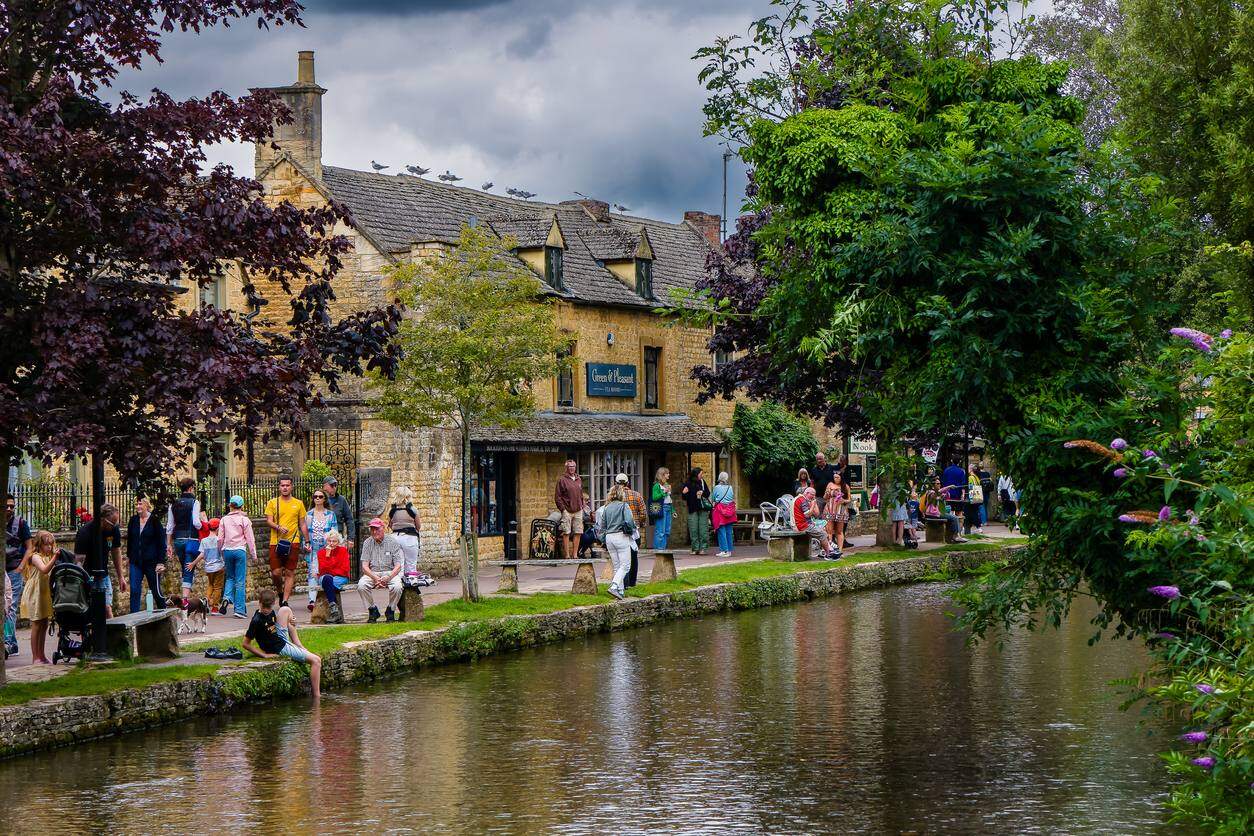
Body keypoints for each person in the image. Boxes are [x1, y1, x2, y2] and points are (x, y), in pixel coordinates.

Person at [243, 588, 321, 699]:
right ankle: (317, 697)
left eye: (269, 608)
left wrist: (293, 621)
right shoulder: (256, 620)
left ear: (273, 604)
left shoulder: (271, 612)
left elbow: (274, 625)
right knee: (316, 661)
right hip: (279, 647)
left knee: (285, 609)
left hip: (279, 638)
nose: (266, 610)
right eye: (264, 607)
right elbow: (245, 644)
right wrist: (264, 655)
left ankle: (299, 645)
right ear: (259, 603)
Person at [74, 502, 126, 618]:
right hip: (88, 575)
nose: (114, 526)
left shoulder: (113, 529)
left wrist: (121, 576)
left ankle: (111, 636)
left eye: (115, 523)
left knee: (107, 608)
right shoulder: (85, 533)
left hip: (103, 574)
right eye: (112, 523)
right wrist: (85, 583)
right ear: (101, 519)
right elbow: (78, 562)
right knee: (89, 612)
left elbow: (116, 551)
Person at [264, 475, 308, 608]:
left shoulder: (298, 503)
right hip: (276, 542)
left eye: (287, 485)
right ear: (279, 487)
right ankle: (280, 591)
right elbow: (269, 520)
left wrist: (307, 540)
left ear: (291, 486)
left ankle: (285, 601)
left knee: (289, 572)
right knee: (276, 572)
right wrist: (278, 527)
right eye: (282, 485)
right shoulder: (272, 502)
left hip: (293, 541)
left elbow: (302, 524)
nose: (285, 487)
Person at [165, 477, 204, 605]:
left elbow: (170, 526)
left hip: (177, 540)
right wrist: (204, 523)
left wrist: (168, 544)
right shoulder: (194, 502)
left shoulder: (173, 504)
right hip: (191, 539)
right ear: (191, 488)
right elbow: (196, 523)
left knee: (185, 567)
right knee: (188, 568)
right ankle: (185, 601)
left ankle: (185, 597)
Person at [19, 530, 56, 663]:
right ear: (39, 545)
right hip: (35, 593)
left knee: (44, 623)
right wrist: (55, 558)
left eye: (51, 544)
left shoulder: (48, 556)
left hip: (44, 593)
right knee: (36, 624)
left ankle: (42, 654)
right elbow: (44, 569)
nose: (50, 547)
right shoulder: (35, 557)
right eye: (47, 545)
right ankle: (36, 657)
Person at [127, 497, 168, 612]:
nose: (138, 506)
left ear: (147, 505)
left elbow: (161, 543)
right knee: (134, 590)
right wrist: (128, 557)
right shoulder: (133, 520)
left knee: (155, 590)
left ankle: (164, 614)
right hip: (135, 562)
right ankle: (133, 617)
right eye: (137, 504)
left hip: (152, 562)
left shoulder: (155, 521)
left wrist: (161, 562)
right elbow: (130, 541)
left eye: (140, 504)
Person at [358, 518, 404, 623]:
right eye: (372, 529)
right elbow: (365, 566)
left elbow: (398, 565)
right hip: (372, 572)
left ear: (383, 528)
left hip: (389, 572)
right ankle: (372, 609)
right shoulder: (367, 542)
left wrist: (388, 577)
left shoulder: (392, 542)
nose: (374, 532)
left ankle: (391, 610)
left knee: (397, 586)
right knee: (361, 585)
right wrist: (375, 578)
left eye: (377, 529)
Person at [218, 495, 256, 619]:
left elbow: (220, 539)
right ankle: (239, 610)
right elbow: (250, 539)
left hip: (227, 550)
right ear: (242, 506)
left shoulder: (223, 520)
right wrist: (254, 554)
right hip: (239, 550)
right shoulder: (245, 520)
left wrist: (221, 552)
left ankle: (227, 598)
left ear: (230, 505)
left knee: (230, 577)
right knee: (240, 581)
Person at [5, 493, 33, 657]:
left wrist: (20, 567)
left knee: (10, 606)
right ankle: (12, 643)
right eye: (7, 506)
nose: (9, 509)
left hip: (14, 568)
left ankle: (8, 642)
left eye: (12, 506)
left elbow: (29, 547)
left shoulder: (21, 524)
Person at [303, 488, 339, 611]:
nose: (317, 499)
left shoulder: (330, 515)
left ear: (324, 499)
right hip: (313, 548)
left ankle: (327, 599)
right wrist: (306, 543)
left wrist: (332, 545)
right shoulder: (308, 515)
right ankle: (312, 600)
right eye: (315, 497)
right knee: (312, 573)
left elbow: (334, 532)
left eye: (320, 496)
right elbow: (305, 532)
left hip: (326, 547)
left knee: (325, 572)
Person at [600, 484, 637, 600]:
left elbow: (602, 526)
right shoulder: (623, 506)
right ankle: (614, 586)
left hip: (609, 537)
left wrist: (603, 540)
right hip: (621, 536)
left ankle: (620, 591)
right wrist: (632, 531)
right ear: (621, 494)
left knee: (617, 566)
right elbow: (629, 521)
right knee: (625, 565)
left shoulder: (606, 507)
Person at [617, 474, 647, 588]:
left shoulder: (615, 497)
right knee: (633, 557)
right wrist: (641, 523)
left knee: (622, 559)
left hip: (620, 531)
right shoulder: (636, 495)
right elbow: (643, 513)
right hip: (634, 531)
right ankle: (632, 582)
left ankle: (624, 582)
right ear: (628, 483)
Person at [316, 530, 351, 624]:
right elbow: (322, 570)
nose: (331, 543)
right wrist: (327, 555)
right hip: (326, 578)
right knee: (327, 578)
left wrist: (331, 571)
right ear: (326, 541)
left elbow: (345, 569)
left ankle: (335, 613)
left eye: (334, 541)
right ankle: (334, 611)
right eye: (329, 541)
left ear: (338, 542)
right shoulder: (321, 553)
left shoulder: (343, 551)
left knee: (328, 580)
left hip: (340, 578)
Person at [791, 487, 838, 558]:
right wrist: (813, 504)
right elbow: (807, 514)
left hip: (800, 524)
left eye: (814, 495)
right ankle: (829, 554)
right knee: (822, 534)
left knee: (822, 529)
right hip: (801, 525)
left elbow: (816, 514)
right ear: (806, 493)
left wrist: (813, 504)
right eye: (812, 495)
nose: (813, 497)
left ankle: (826, 550)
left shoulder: (798, 499)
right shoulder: (802, 500)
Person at [386, 486, 421, 577]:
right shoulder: (413, 509)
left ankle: (398, 588)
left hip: (395, 538)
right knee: (411, 565)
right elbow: (418, 526)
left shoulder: (392, 510)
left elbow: (389, 524)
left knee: (398, 566)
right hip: (410, 537)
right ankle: (410, 588)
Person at [554, 459, 584, 560]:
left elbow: (581, 494)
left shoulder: (578, 479)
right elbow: (557, 497)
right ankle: (567, 555)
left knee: (578, 531)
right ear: (566, 468)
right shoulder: (562, 480)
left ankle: (575, 554)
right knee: (566, 532)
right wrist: (563, 509)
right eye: (570, 467)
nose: (572, 468)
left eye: (573, 466)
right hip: (567, 509)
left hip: (578, 509)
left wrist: (582, 505)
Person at [924, 478, 967, 543]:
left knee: (953, 517)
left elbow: (942, 497)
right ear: (932, 485)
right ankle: (956, 536)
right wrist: (948, 487)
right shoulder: (930, 493)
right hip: (932, 514)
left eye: (940, 483)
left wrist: (946, 494)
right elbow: (937, 493)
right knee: (954, 518)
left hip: (937, 513)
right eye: (937, 484)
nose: (939, 485)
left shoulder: (936, 493)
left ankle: (952, 537)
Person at [681, 467, 711, 555]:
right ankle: (695, 548)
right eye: (701, 473)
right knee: (693, 529)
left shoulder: (702, 482)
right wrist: (684, 493)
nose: (702, 475)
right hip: (692, 509)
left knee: (703, 529)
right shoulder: (688, 483)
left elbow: (708, 493)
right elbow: (684, 497)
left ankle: (703, 548)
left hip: (703, 508)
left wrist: (702, 492)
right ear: (696, 474)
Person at [201, 519, 224, 614]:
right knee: (218, 587)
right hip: (219, 566)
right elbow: (222, 553)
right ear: (218, 528)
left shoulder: (204, 541)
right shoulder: (219, 540)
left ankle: (206, 599)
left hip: (208, 567)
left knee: (210, 584)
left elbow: (203, 555)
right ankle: (215, 608)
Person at [322, 476, 353, 546]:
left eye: (335, 485)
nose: (334, 487)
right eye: (331, 485)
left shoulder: (341, 500)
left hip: (337, 538)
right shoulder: (320, 499)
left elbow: (349, 519)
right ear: (324, 486)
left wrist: (350, 538)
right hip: (322, 538)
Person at [823, 474, 852, 552]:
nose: (835, 478)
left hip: (840, 509)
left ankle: (839, 550)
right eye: (834, 477)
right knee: (829, 530)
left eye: (837, 477)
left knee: (839, 531)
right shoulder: (830, 484)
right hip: (830, 508)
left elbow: (849, 499)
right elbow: (825, 498)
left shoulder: (845, 486)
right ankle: (829, 550)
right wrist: (827, 493)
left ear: (841, 478)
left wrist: (844, 500)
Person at [711, 472, 736, 557]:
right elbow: (732, 497)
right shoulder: (730, 487)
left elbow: (713, 498)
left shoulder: (717, 487)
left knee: (721, 530)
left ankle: (723, 550)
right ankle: (729, 550)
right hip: (730, 511)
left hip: (720, 510)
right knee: (729, 531)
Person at [650, 467, 673, 550]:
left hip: (668, 507)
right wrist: (664, 492)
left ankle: (663, 548)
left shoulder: (667, 485)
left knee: (667, 530)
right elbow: (655, 497)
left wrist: (673, 510)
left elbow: (669, 498)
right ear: (662, 475)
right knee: (660, 531)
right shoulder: (656, 486)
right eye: (667, 473)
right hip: (661, 508)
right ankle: (659, 549)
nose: (668, 475)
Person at [966, 464, 985, 535]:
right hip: (977, 497)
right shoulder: (977, 477)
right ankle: (976, 527)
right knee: (975, 512)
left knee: (972, 512)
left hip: (973, 497)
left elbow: (970, 487)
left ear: (970, 469)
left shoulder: (971, 477)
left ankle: (978, 527)